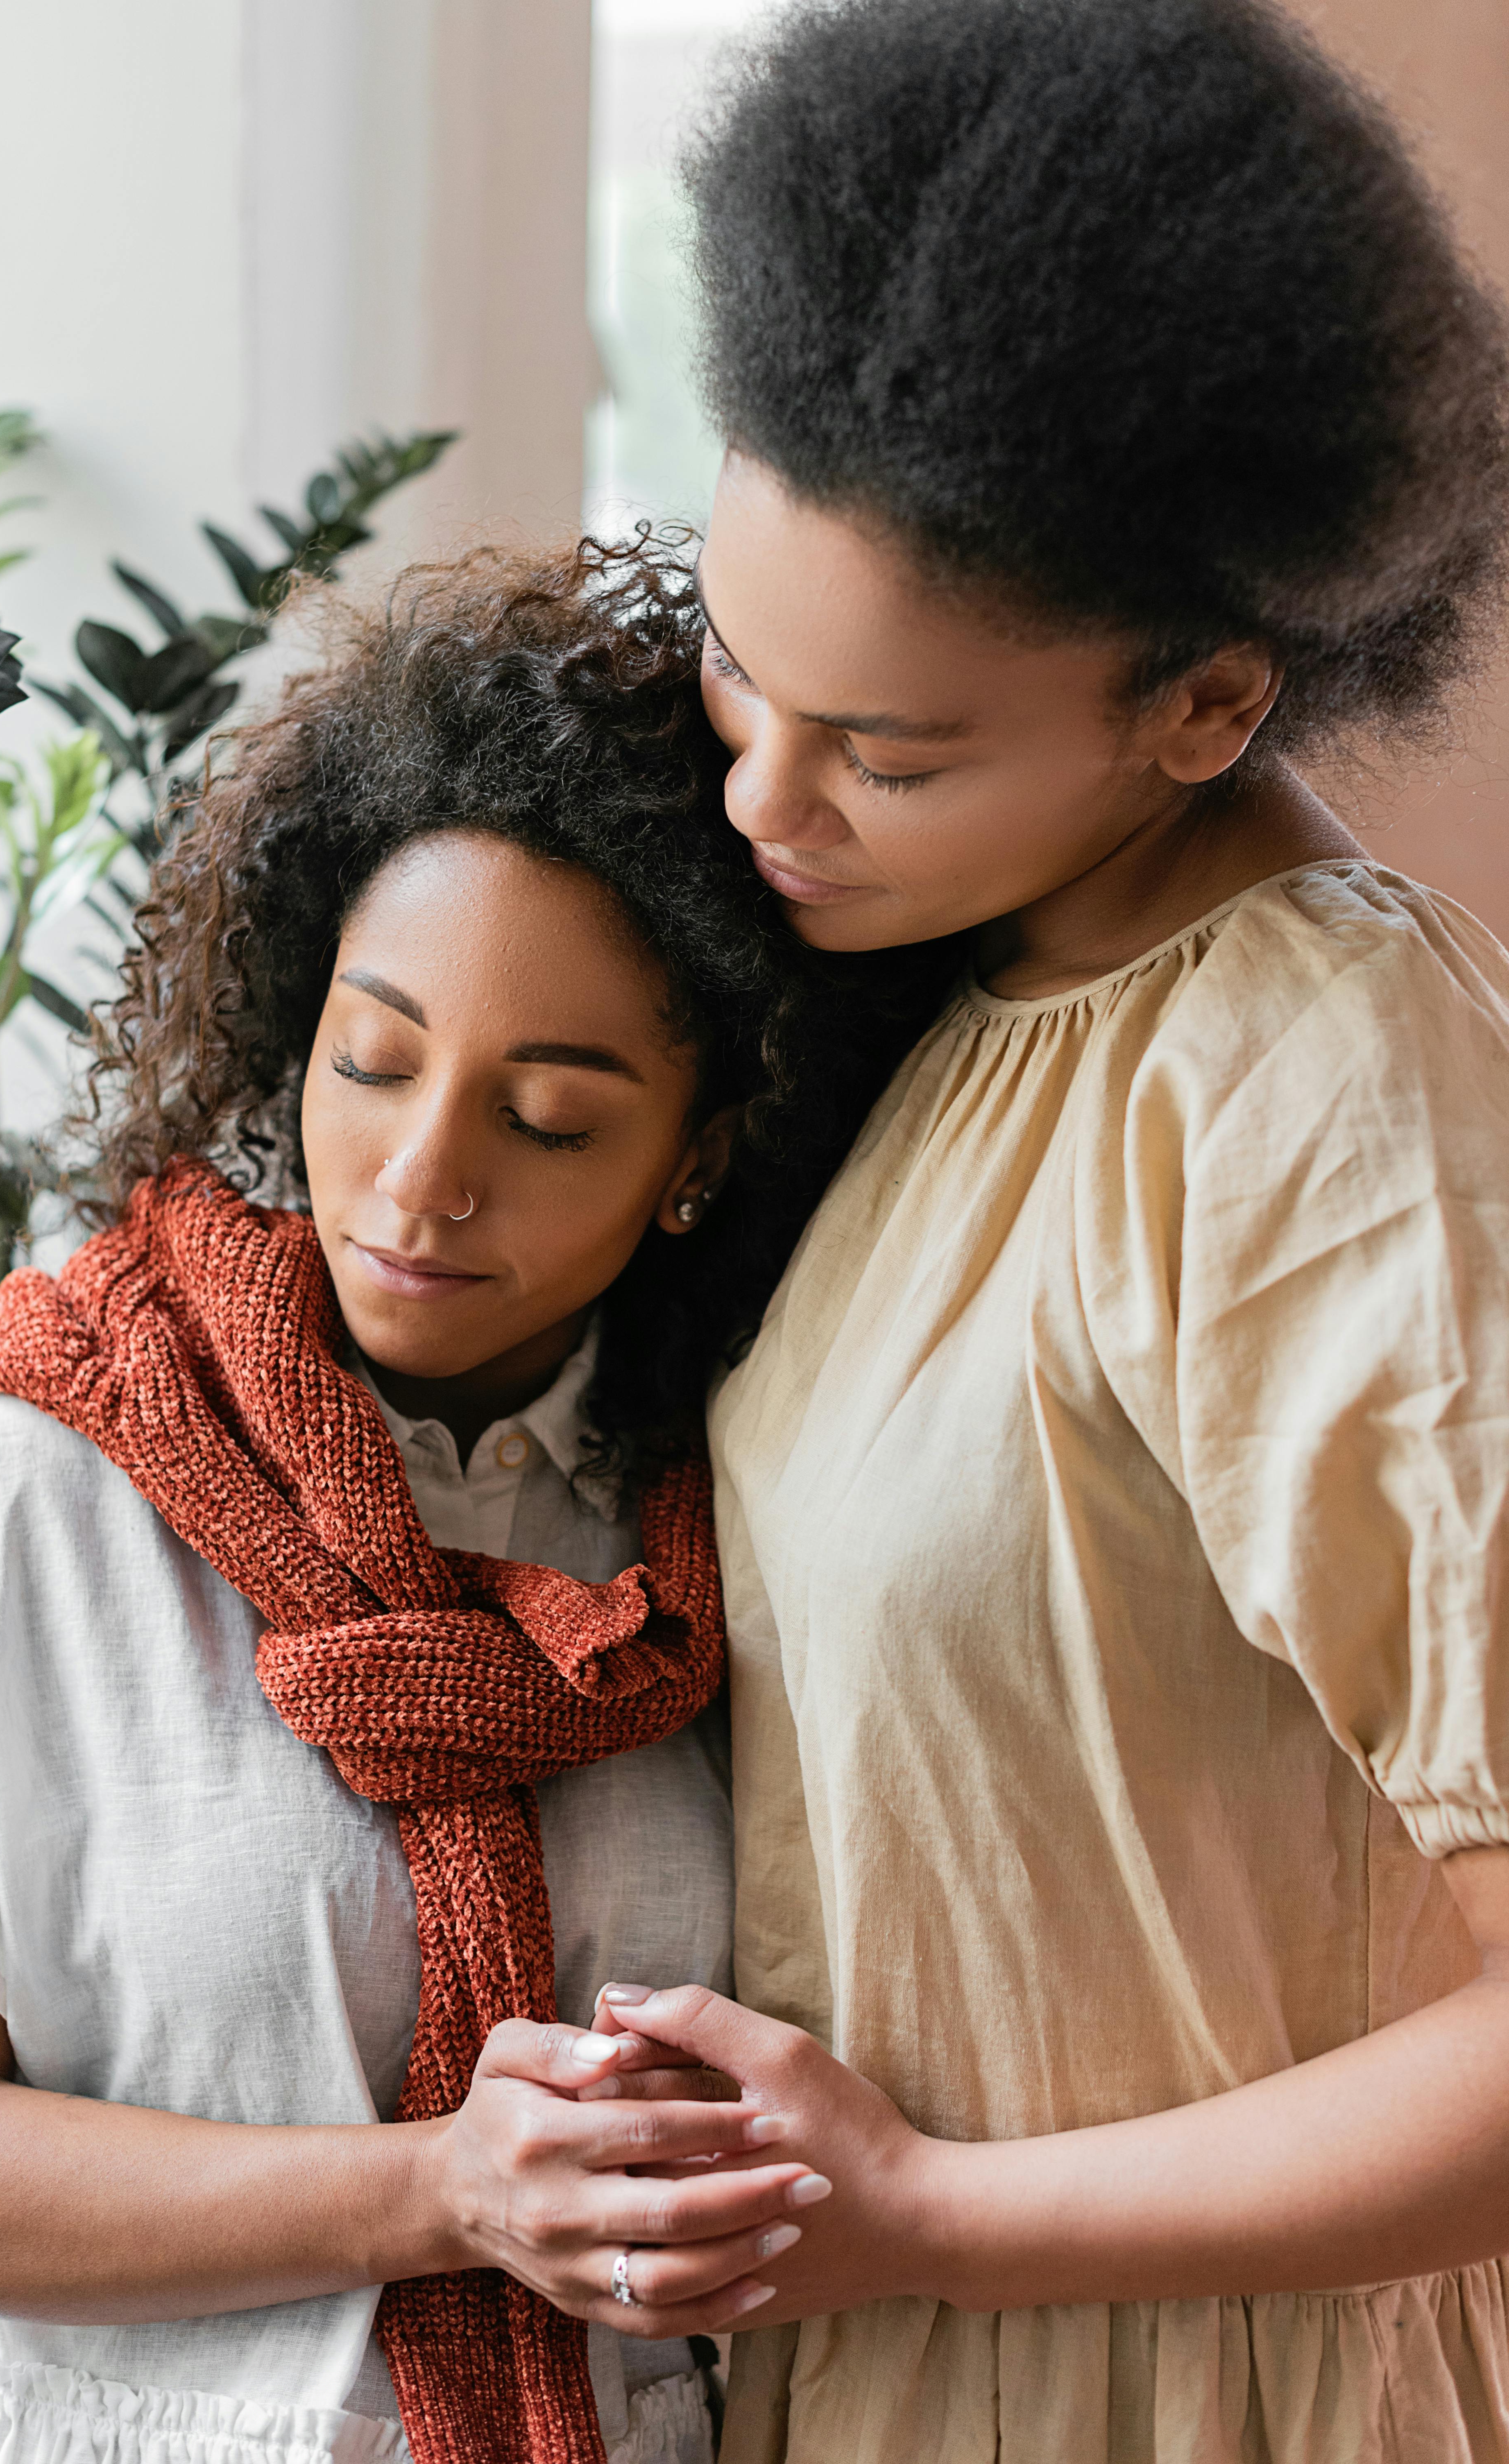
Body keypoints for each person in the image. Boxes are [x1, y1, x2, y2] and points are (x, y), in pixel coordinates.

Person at [565, 2, 1509, 2457]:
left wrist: (934, 2215)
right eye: (738, 675)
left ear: (1204, 706)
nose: (767, 795)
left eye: (888, 751)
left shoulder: (1318, 1089)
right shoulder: (956, 987)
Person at [0, 541, 951, 2464]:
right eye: (370, 1063)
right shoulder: (18, 1485)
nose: (421, 1176)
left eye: (550, 1119)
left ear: (699, 1158)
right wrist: (444, 2190)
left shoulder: (723, 1531)